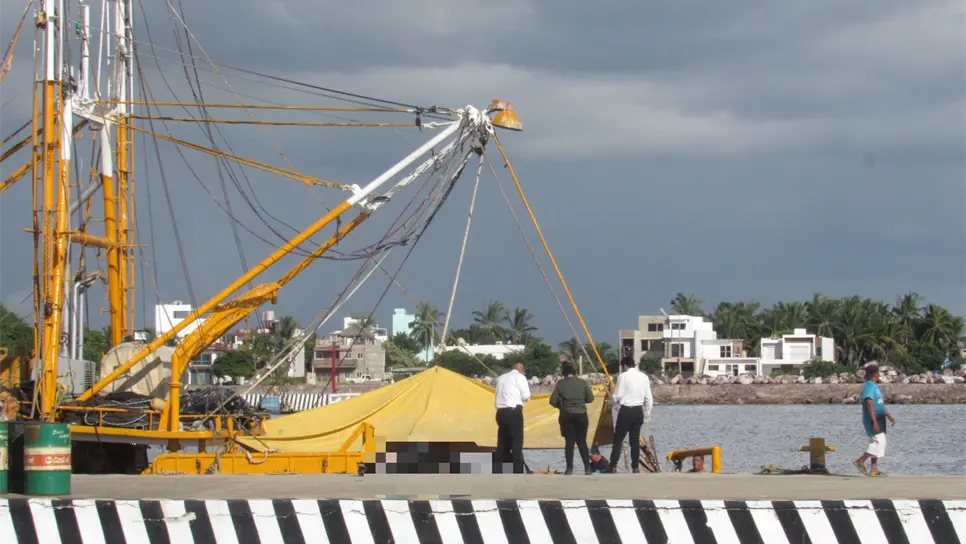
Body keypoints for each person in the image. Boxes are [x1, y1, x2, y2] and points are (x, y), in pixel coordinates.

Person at [608, 356, 653, 473]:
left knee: (618, 439)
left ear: (624, 366)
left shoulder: (623, 376)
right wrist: (647, 413)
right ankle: (635, 467)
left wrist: (610, 401)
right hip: (638, 411)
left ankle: (612, 465)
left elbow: (618, 395)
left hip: (626, 411)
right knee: (635, 441)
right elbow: (649, 397)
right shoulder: (644, 377)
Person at [550, 362, 595, 474]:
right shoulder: (582, 383)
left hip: (567, 416)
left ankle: (569, 468)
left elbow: (552, 401)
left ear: (564, 374)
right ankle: (587, 468)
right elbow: (590, 399)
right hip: (581, 415)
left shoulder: (561, 383)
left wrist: (561, 407)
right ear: (575, 374)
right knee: (582, 442)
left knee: (569, 442)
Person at [855, 363, 895, 477]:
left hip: (879, 417)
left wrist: (888, 415)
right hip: (874, 418)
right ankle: (861, 460)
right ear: (876, 374)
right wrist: (875, 421)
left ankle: (874, 469)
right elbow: (869, 403)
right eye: (878, 372)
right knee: (880, 442)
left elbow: (879, 404)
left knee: (875, 443)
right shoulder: (869, 386)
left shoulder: (873, 385)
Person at [494, 361, 531, 474]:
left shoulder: (501, 378)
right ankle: (517, 471)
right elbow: (526, 396)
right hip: (513, 412)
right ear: (522, 370)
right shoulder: (520, 377)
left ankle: (498, 470)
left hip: (500, 412)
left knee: (502, 442)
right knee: (516, 442)